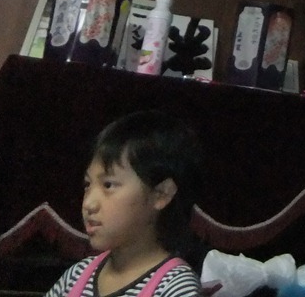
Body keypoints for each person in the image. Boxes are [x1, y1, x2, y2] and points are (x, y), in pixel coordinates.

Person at [45, 110, 203, 297]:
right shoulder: (76, 275)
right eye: (87, 185)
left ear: (161, 194)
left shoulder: (174, 287)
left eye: (108, 185)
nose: (89, 204)